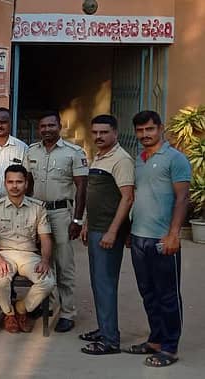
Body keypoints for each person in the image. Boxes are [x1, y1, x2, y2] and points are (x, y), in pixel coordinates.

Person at [123, 110, 190, 367]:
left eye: (149, 129)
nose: (145, 134)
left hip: (162, 240)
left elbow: (183, 198)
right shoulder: (139, 160)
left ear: (160, 128)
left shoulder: (175, 159)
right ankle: (156, 340)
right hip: (139, 238)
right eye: (140, 130)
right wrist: (131, 230)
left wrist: (173, 234)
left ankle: (170, 348)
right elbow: (139, 197)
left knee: (167, 295)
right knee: (148, 293)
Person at [23, 110, 88, 333]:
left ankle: (68, 311)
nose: (47, 130)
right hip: (38, 213)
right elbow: (28, 184)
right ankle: (48, 305)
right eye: (43, 126)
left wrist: (78, 219)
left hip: (61, 214)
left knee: (64, 263)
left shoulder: (73, 152)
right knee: (44, 261)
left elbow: (82, 187)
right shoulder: (31, 151)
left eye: (51, 125)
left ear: (59, 126)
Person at [78, 114, 135, 356]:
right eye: (95, 132)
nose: (99, 136)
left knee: (105, 284)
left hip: (108, 232)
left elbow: (127, 198)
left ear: (115, 133)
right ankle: (104, 329)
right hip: (96, 228)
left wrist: (113, 231)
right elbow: (96, 195)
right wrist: (86, 223)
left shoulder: (121, 159)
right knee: (98, 282)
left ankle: (110, 340)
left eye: (104, 132)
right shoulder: (100, 156)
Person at [0, 165, 55, 334]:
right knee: (0, 279)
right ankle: (8, 314)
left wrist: (45, 260)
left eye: (19, 182)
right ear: (5, 183)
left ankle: (21, 309)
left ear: (26, 184)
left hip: (29, 255)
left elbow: (46, 238)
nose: (14, 186)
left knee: (48, 281)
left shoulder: (38, 208)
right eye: (10, 182)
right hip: (3, 254)